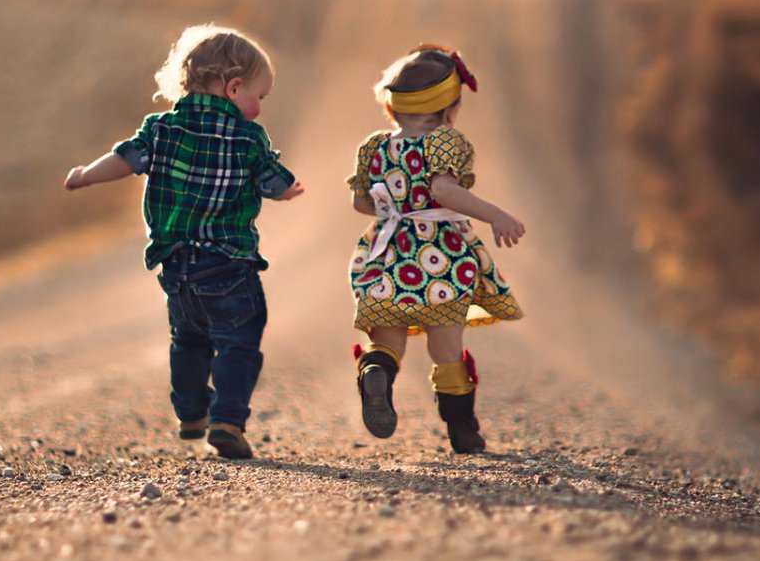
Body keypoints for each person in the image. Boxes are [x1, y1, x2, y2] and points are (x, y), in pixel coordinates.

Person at [65, 25, 304, 458]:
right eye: (259, 97)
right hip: (230, 265)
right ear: (233, 88)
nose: (258, 109)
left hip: (176, 268)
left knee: (188, 340)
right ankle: (227, 419)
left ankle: (192, 412)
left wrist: (84, 175)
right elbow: (271, 181)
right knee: (238, 341)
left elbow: (123, 160)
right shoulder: (249, 138)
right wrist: (286, 189)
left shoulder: (161, 129)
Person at [347, 43, 524, 453]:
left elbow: (360, 203)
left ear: (391, 109)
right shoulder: (446, 142)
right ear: (450, 109)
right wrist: (494, 214)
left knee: (387, 340)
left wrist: (395, 204)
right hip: (439, 259)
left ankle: (375, 370)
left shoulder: (375, 147)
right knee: (446, 349)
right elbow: (444, 189)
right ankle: (463, 432)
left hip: (387, 254)